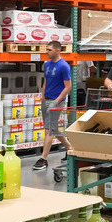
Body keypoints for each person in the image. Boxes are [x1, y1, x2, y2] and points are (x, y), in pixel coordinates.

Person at [33, 41, 72, 171]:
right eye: (46, 49)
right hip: (46, 99)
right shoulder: (47, 65)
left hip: (56, 101)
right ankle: (70, 148)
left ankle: (43, 159)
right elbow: (46, 82)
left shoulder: (64, 66)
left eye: (49, 50)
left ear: (57, 51)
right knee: (52, 127)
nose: (47, 52)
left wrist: (56, 101)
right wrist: (42, 96)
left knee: (49, 129)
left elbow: (68, 87)